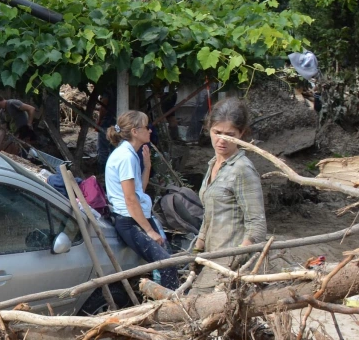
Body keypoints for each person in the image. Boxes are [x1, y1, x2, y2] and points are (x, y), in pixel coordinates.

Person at [191, 99, 267, 291]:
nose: (222, 140)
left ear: (241, 134)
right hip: (211, 257)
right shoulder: (213, 164)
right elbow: (210, 214)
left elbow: (257, 226)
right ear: (209, 129)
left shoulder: (242, 170)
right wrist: (198, 249)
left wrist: (232, 263)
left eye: (230, 135)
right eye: (217, 133)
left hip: (230, 265)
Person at [104, 111, 179, 290]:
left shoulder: (129, 154)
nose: (150, 131)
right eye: (147, 127)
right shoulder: (126, 157)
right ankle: (170, 305)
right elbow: (130, 199)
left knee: (167, 259)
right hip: (129, 220)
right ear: (135, 131)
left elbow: (138, 191)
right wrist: (148, 230)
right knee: (165, 263)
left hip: (135, 216)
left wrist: (147, 167)